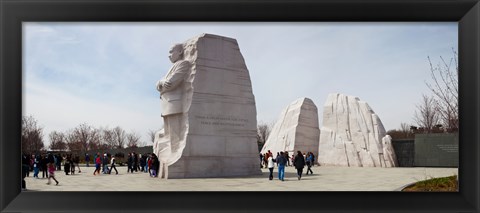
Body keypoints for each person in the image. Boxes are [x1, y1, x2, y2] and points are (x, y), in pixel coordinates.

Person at [154, 43, 192, 165]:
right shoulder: (172, 67)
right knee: (169, 134)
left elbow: (171, 83)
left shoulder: (183, 64)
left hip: (174, 104)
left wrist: (162, 84)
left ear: (180, 52)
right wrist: (161, 82)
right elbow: (159, 84)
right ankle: (171, 156)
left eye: (171, 52)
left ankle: (175, 157)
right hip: (167, 104)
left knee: (175, 135)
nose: (169, 55)